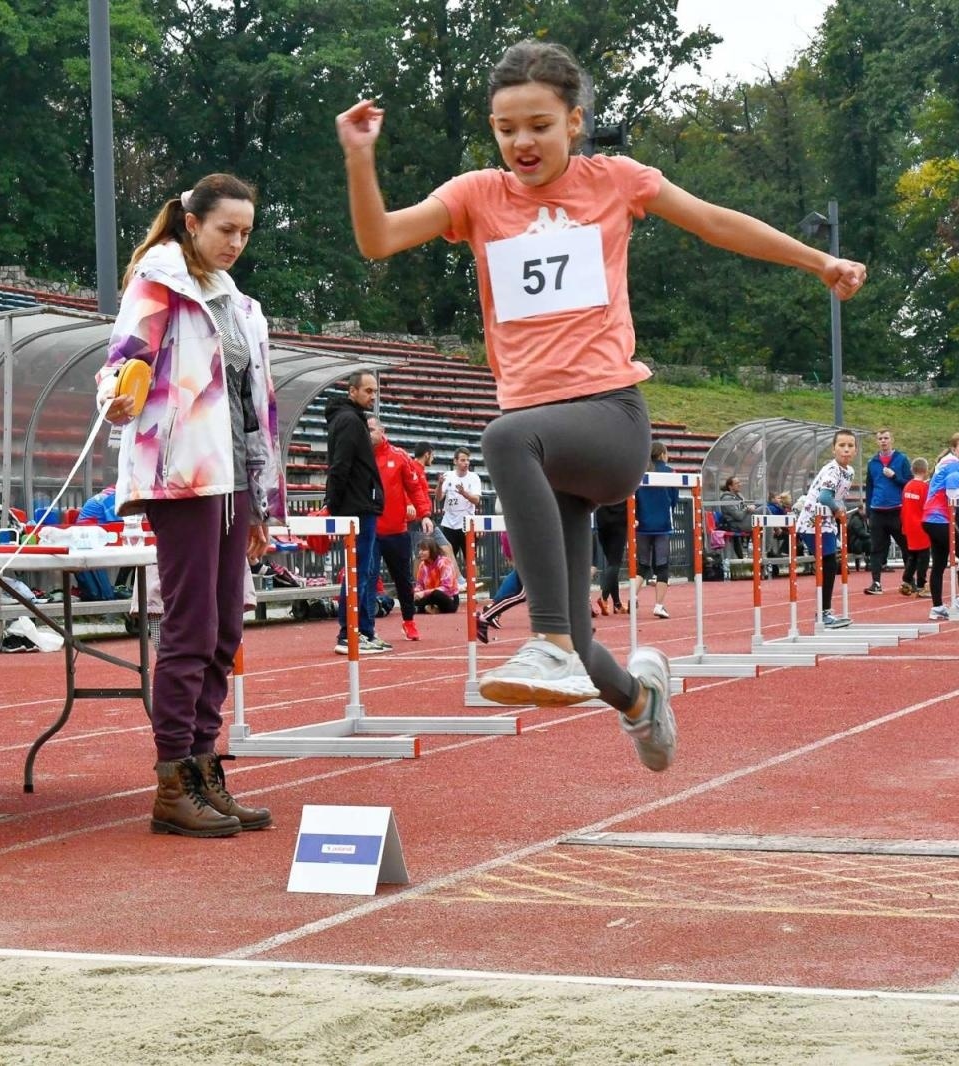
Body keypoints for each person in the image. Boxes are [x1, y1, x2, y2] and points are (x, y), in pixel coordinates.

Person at [337, 39, 866, 771]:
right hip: (547, 443)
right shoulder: (475, 196)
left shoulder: (615, 181)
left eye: (539, 126)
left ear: (575, 122)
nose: (522, 142)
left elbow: (715, 220)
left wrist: (822, 262)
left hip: (609, 421)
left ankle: (547, 643)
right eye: (505, 128)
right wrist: (361, 158)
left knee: (502, 441)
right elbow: (378, 238)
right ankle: (640, 700)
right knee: (580, 635)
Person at [100, 174, 283, 839]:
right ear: (190, 221)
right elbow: (122, 358)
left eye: (245, 233)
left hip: (232, 479)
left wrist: (262, 502)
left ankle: (206, 769)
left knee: (226, 628)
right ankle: (172, 779)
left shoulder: (239, 304)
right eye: (225, 229)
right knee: (192, 625)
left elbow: (254, 407)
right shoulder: (159, 283)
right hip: (181, 474)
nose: (236, 242)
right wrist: (117, 394)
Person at [323, 370, 388, 654]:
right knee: (357, 571)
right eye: (368, 391)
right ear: (352, 391)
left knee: (367, 570)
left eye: (375, 392)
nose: (372, 397)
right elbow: (341, 465)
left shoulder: (353, 420)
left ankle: (364, 630)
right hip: (356, 507)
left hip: (363, 504)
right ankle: (348, 633)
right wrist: (332, 504)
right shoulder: (349, 421)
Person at [367, 416, 433, 640]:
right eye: (365, 430)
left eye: (372, 429)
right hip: (371, 531)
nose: (369, 434)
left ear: (382, 431)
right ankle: (368, 627)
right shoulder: (361, 457)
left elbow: (415, 487)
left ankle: (409, 621)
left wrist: (424, 514)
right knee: (369, 578)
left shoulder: (399, 456)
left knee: (403, 579)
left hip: (396, 530)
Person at [796, 429, 857, 629]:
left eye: (850, 446)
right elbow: (824, 497)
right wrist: (838, 510)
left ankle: (825, 611)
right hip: (813, 521)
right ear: (833, 449)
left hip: (827, 521)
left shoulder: (849, 471)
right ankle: (823, 612)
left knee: (831, 563)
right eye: (842, 446)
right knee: (829, 564)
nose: (846, 450)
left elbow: (836, 497)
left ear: (855, 450)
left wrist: (840, 509)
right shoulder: (832, 470)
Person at [922, 432, 959, 619]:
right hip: (938, 518)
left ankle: (937, 607)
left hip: (933, 517)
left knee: (938, 563)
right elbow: (953, 493)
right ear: (954, 449)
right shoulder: (953, 465)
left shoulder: (951, 463)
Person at [862, 427, 912, 595]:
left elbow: (909, 483)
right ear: (877, 441)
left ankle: (908, 580)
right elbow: (869, 487)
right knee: (876, 548)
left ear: (892, 440)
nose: (883, 441)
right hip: (877, 511)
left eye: (886, 438)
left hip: (897, 510)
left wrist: (894, 476)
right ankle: (876, 583)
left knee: (906, 546)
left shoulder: (902, 459)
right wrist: (868, 511)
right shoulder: (872, 463)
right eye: (880, 438)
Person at [633, 441, 677, 619]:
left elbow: (634, 496)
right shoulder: (669, 472)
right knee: (662, 564)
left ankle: (633, 596)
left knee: (642, 564)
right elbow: (674, 498)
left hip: (642, 523)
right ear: (662, 454)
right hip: (662, 524)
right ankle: (659, 605)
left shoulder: (639, 472)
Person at [436, 447, 482, 565]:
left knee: (471, 560)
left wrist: (464, 493)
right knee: (447, 560)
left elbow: (476, 500)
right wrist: (440, 485)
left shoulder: (474, 477)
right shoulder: (448, 476)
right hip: (449, 523)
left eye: (467, 460)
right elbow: (438, 497)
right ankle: (450, 583)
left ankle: (472, 583)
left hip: (467, 524)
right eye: (462, 460)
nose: (466, 463)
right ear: (455, 461)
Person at [900, 457, 931, 597]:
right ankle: (920, 584)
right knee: (923, 557)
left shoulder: (907, 486)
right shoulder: (924, 488)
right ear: (926, 471)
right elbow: (927, 507)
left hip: (908, 524)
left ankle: (906, 580)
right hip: (921, 526)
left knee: (912, 555)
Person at [594, 499, 629, 615]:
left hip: (602, 521)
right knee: (615, 563)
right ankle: (603, 598)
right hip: (619, 521)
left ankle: (617, 604)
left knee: (611, 563)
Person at [414, 537, 461, 613]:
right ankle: (429, 608)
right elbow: (419, 584)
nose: (420, 552)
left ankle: (421, 608)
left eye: (424, 550)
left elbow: (446, 587)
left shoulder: (444, 562)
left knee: (436, 594)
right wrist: (416, 592)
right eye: (420, 550)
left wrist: (423, 593)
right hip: (429, 597)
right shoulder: (422, 565)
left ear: (432, 550)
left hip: (449, 598)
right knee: (407, 594)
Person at [716, 476, 751, 559]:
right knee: (763, 514)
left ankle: (766, 550)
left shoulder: (739, 496)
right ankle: (767, 550)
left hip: (742, 522)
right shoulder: (727, 499)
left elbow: (746, 506)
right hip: (736, 524)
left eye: (740, 482)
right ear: (730, 486)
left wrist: (751, 507)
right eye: (737, 483)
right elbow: (738, 516)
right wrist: (747, 509)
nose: (740, 485)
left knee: (762, 511)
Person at [846, 501, 871, 573]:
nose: (866, 511)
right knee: (870, 542)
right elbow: (861, 533)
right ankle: (869, 562)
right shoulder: (856, 520)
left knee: (870, 540)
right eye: (865, 509)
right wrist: (872, 536)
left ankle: (869, 562)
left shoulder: (862, 518)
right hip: (854, 543)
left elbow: (867, 531)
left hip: (858, 541)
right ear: (860, 510)